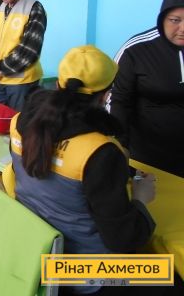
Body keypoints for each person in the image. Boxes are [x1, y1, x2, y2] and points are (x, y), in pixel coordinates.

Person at [10, 45, 156, 295]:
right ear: (105, 96)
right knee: (167, 275)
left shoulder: (19, 124)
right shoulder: (100, 152)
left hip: (35, 254)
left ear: (58, 83)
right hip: (83, 274)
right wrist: (141, 200)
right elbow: (123, 239)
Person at [110, 0, 184, 177]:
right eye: (175, 20)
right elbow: (117, 100)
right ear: (162, 18)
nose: (182, 28)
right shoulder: (136, 49)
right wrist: (119, 148)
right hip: (147, 160)